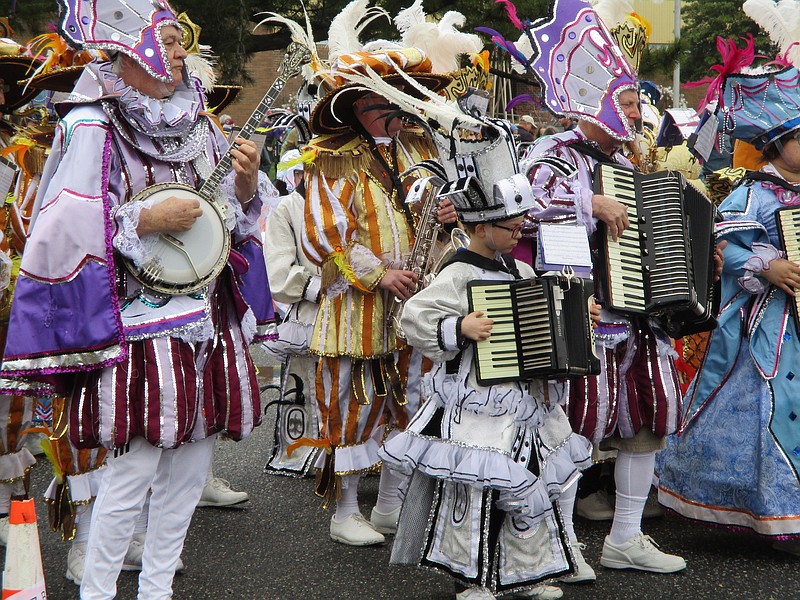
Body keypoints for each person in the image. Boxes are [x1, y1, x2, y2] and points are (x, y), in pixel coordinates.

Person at [0, 1, 275, 597]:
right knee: (130, 475)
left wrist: (247, 186)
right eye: (172, 41)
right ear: (138, 49)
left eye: (179, 43)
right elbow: (62, 225)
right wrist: (144, 220)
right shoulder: (94, 122)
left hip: (206, 319)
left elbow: (227, 216)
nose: (182, 52)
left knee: (190, 472)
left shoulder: (199, 120)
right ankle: (98, 591)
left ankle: (157, 590)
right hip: (137, 326)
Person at [491, 0, 687, 577]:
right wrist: (588, 202)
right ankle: (553, 541)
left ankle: (625, 535)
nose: (636, 111)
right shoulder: (553, 152)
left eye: (635, 102)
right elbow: (514, 211)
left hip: (637, 308)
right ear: (597, 103)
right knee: (572, 425)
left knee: (646, 416)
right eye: (626, 102)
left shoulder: (634, 158)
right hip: (578, 305)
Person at [380, 120, 593, 600]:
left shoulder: (518, 267)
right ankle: (473, 579)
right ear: (478, 227)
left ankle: (528, 572)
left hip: (523, 397)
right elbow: (412, 319)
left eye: (520, 225)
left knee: (531, 477)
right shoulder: (456, 271)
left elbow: (544, 316)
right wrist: (459, 328)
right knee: (477, 486)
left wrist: (579, 313)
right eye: (511, 226)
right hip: (475, 399)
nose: (519, 231)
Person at [300, 47, 456, 547]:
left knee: (410, 401)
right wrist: (379, 274)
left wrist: (447, 221)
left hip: (416, 298)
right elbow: (323, 238)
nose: (404, 105)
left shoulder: (417, 150)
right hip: (356, 308)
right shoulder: (332, 156)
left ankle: (389, 505)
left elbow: (431, 222)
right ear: (359, 100)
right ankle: (345, 511)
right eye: (390, 94)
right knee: (352, 404)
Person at [658, 53, 800, 555]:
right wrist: (768, 265)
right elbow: (724, 244)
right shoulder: (755, 192)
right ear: (775, 145)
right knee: (775, 404)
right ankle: (773, 510)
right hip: (772, 326)